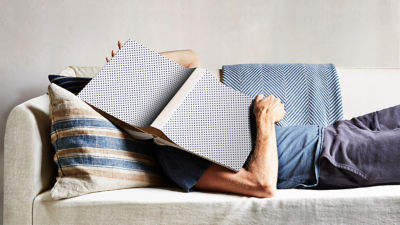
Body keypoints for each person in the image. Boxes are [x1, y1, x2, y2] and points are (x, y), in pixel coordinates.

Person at [107, 41, 400, 198]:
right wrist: (264, 120)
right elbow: (261, 185)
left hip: (336, 131)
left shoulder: (187, 110)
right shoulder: (175, 158)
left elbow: (191, 56)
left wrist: (134, 63)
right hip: (328, 158)